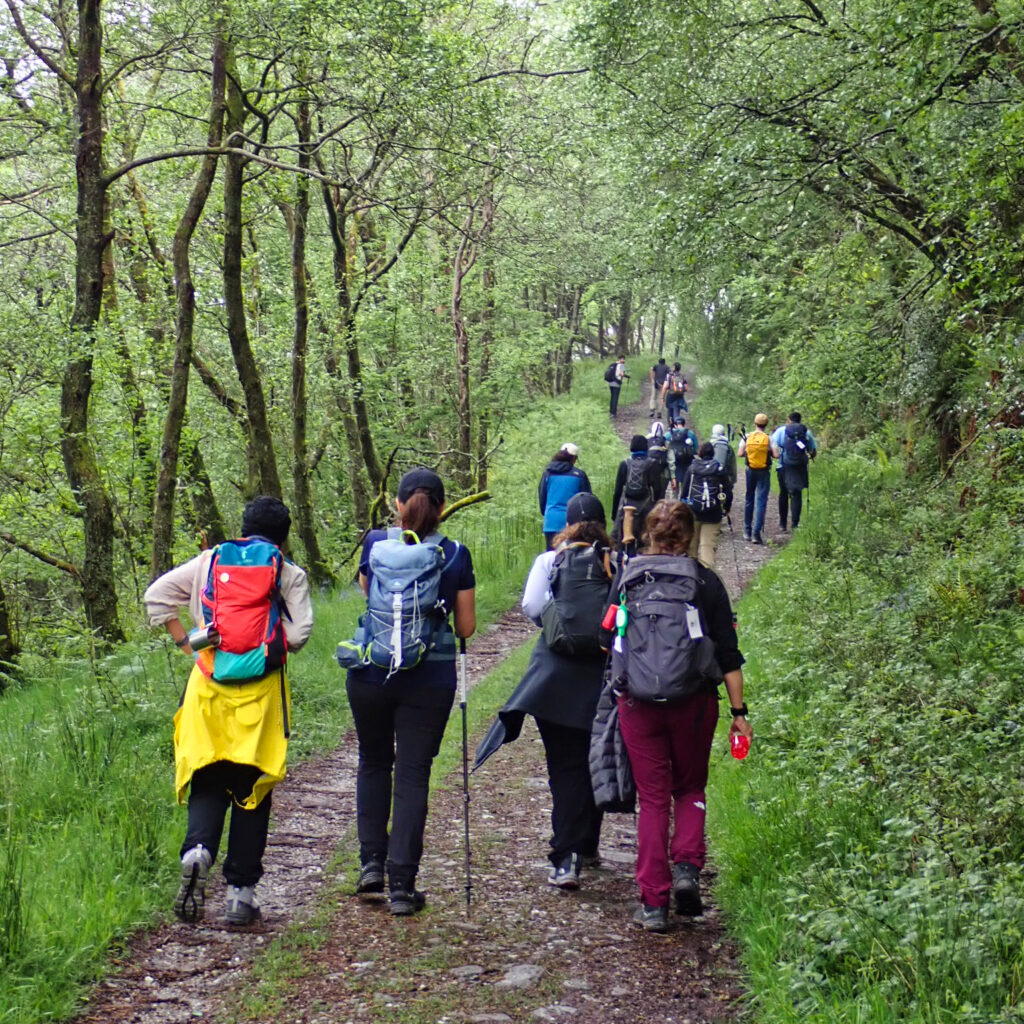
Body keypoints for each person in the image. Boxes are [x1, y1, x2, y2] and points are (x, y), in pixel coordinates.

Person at [144, 496, 314, 926]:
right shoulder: (288, 573)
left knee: (207, 776)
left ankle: (198, 850)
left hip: (207, 689)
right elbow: (299, 635)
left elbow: (157, 596)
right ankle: (240, 895)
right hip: (260, 696)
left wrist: (189, 643)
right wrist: (266, 640)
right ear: (284, 536)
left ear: (241, 527)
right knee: (251, 788)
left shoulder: (209, 561)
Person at [611, 500, 751, 932]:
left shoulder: (628, 576)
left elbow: (610, 638)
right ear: (688, 537)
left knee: (652, 798)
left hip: (637, 703)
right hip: (693, 700)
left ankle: (653, 903)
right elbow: (728, 653)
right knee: (690, 784)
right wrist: (739, 712)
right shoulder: (704, 581)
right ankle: (687, 869)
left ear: (651, 535)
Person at [344, 468, 476, 915]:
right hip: (430, 676)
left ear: (398, 506)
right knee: (413, 773)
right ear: (441, 508)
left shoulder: (374, 545)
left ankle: (371, 866)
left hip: (370, 672)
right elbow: (466, 627)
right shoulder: (456, 553)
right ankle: (402, 885)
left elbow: (368, 595)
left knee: (374, 761)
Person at [474, 493, 612, 889]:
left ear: (566, 526)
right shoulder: (615, 562)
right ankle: (587, 842)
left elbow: (533, 607)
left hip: (554, 680)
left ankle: (565, 856)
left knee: (564, 767)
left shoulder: (550, 561)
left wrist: (560, 623)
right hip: (603, 676)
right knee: (594, 755)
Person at [679, 442, 732, 568]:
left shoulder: (692, 469)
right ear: (713, 453)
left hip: (693, 514)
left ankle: (690, 578)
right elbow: (728, 492)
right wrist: (726, 508)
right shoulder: (719, 469)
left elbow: (684, 493)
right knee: (707, 549)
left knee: (691, 549)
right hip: (713, 515)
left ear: (700, 453)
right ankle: (707, 580)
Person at [538, 443, 592, 550]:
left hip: (551, 522)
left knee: (552, 558)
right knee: (570, 558)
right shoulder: (579, 475)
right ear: (574, 458)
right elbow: (587, 501)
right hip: (572, 525)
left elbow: (542, 498)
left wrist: (547, 514)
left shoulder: (547, 473)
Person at [611, 435, 663, 545]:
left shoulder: (625, 464)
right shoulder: (652, 464)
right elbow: (657, 489)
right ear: (646, 447)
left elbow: (617, 491)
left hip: (626, 507)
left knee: (623, 538)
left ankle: (623, 557)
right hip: (645, 506)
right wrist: (656, 507)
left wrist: (614, 513)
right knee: (644, 539)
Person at [770, 411, 817, 531]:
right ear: (800, 420)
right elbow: (813, 450)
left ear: (788, 420)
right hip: (800, 466)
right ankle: (795, 524)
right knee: (797, 494)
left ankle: (782, 524)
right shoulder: (806, 432)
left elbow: (772, 446)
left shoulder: (781, 431)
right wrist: (809, 457)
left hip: (783, 466)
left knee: (783, 493)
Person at [737, 413, 772, 544]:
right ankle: (756, 534)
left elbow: (740, 454)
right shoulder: (768, 438)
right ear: (766, 424)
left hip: (750, 471)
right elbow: (776, 454)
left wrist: (749, 453)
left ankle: (747, 530)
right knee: (761, 501)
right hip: (764, 471)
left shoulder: (747, 437)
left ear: (755, 423)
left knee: (749, 499)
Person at [668, 417, 698, 489]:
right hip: (687, 462)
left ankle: (675, 499)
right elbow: (695, 449)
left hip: (675, 462)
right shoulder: (690, 433)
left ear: (675, 425)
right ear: (684, 424)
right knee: (687, 485)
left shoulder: (669, 434)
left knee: (675, 488)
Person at [645, 422, 671, 502]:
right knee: (661, 494)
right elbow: (670, 459)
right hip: (662, 471)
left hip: (648, 471)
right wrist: (673, 476)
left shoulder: (646, 439)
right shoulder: (666, 442)